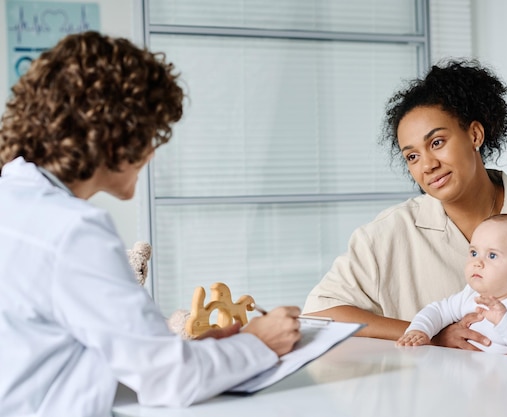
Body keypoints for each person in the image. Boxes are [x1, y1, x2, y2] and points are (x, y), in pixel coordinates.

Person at [0, 31, 301, 417]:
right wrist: (261, 342)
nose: (153, 151)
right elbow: (168, 379)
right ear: (114, 133)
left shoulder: (16, 204)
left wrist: (202, 353)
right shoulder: (72, 230)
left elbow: (60, 352)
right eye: (150, 133)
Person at [303, 59, 507, 364]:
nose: (427, 164)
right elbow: (320, 315)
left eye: (437, 142)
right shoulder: (387, 233)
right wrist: (434, 336)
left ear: (474, 135)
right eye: (411, 156)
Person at [397, 214, 507, 359]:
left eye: (492, 255)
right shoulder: (470, 294)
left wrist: (504, 320)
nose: (477, 262)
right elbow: (438, 311)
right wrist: (419, 330)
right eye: (473, 253)